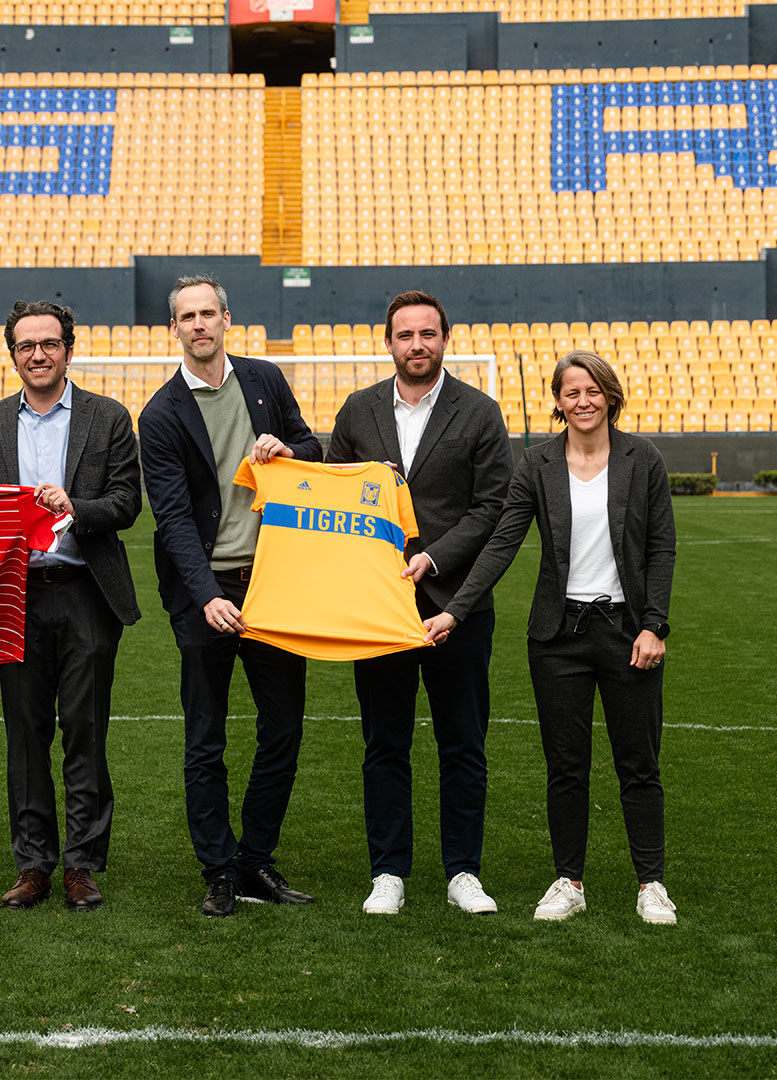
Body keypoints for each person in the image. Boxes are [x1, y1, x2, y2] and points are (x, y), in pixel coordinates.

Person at [424, 350, 679, 925]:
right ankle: (569, 881)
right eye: (571, 393)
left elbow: (661, 547)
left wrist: (653, 624)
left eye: (593, 391)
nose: (583, 402)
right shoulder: (537, 464)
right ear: (558, 402)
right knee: (566, 765)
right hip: (557, 637)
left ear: (610, 396)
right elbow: (501, 545)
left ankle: (651, 884)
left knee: (638, 763)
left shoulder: (644, 459)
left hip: (627, 633)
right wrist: (455, 613)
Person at [138, 274, 323, 918]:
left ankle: (255, 862)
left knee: (284, 729)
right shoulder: (160, 415)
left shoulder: (265, 381)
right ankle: (217, 870)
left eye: (207, 313)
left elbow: (313, 447)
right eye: (185, 316)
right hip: (204, 591)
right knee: (205, 737)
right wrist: (206, 597)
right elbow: (173, 519)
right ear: (175, 329)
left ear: (225, 319)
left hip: (275, 582)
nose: (198, 325)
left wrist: (286, 447)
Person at [325, 291, 513, 917]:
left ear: (444, 339)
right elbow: (336, 502)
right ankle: (388, 871)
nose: (417, 345)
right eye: (405, 335)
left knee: (463, 743)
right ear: (388, 342)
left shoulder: (480, 413)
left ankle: (463, 869)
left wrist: (434, 559)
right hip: (379, 610)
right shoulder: (358, 411)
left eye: (428, 333)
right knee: (384, 744)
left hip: (458, 605)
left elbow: (492, 509)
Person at [0, 300, 142, 912]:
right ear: (12, 353)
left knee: (85, 732)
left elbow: (126, 502)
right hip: (12, 598)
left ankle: (82, 866)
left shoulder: (109, 416)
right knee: (25, 734)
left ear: (69, 347)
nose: (37, 354)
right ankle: (34, 864)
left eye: (48, 343)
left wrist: (74, 507)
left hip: (87, 591)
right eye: (25, 345)